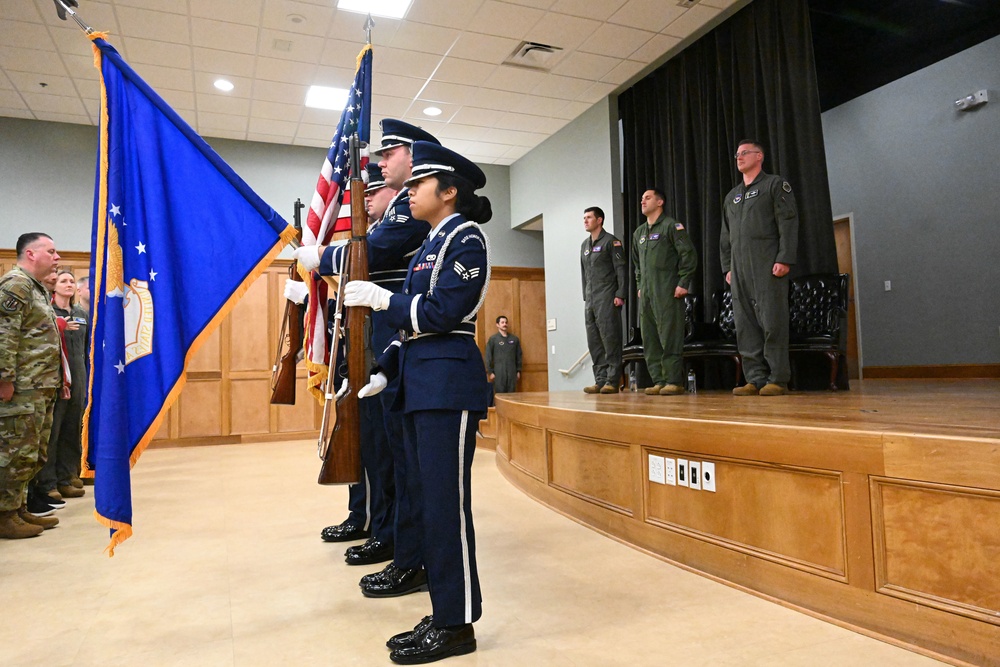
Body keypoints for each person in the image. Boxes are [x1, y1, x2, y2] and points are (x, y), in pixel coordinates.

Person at [344, 141, 491, 663]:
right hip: (419, 381)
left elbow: (442, 312)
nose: (406, 193)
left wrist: (385, 299)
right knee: (427, 501)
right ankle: (442, 610)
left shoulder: (466, 239)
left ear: (448, 192)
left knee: (447, 506)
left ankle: (457, 623)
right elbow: (410, 331)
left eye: (416, 185)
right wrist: (385, 368)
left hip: (447, 385)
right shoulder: (432, 242)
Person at [294, 120, 438, 597]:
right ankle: (389, 536)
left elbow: (374, 252)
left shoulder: (411, 212)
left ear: (415, 156)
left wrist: (324, 258)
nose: (379, 161)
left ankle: (398, 544)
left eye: (389, 152)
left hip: (397, 341)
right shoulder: (402, 205)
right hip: (380, 343)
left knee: (397, 459)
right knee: (383, 452)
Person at [721, 140, 799, 396]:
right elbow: (726, 235)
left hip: (767, 263)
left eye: (744, 153)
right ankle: (755, 378)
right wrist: (727, 267)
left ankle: (777, 378)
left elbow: (787, 221)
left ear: (759, 156)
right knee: (745, 323)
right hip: (739, 267)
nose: (739, 158)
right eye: (737, 154)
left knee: (772, 320)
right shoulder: (732, 196)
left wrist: (785, 257)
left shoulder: (774, 185)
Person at [0, 233, 63, 538]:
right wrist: (4, 379)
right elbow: (4, 335)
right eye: (50, 251)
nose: (57, 257)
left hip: (39, 386)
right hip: (20, 388)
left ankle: (19, 508)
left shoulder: (35, 288)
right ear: (30, 254)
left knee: (32, 453)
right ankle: (4, 515)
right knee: (14, 453)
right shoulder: (16, 285)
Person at [631, 189, 698, 396]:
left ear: (660, 202)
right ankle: (658, 380)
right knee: (650, 337)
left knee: (669, 335)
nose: (643, 201)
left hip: (667, 290)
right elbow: (637, 265)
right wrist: (640, 285)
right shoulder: (639, 233)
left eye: (648, 197)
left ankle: (673, 380)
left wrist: (683, 282)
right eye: (641, 198)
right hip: (648, 293)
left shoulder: (672, 226)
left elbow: (688, 255)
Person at [33, 270, 89, 503]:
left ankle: (68, 477)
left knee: (72, 429)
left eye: (71, 281)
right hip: (56, 381)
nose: (69, 284)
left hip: (79, 378)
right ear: (54, 287)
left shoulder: (80, 314)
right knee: (53, 432)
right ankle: (48, 482)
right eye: (63, 281)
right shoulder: (48, 312)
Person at [580, 206, 626, 394]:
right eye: (584, 218)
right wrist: (585, 296)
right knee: (594, 341)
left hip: (607, 297)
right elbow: (584, 273)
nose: (585, 220)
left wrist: (620, 294)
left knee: (610, 338)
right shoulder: (584, 245)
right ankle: (600, 379)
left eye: (589, 217)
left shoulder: (611, 242)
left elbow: (621, 269)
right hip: (590, 299)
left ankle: (612, 380)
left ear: (599, 220)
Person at [485, 315, 521, 395]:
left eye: (506, 322)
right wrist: (490, 372)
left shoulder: (514, 339)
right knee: (500, 395)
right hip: (499, 372)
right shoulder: (493, 339)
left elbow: (519, 355)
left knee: (512, 395)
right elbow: (488, 356)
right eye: (502, 322)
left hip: (512, 371)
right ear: (497, 325)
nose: (505, 324)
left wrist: (518, 370)